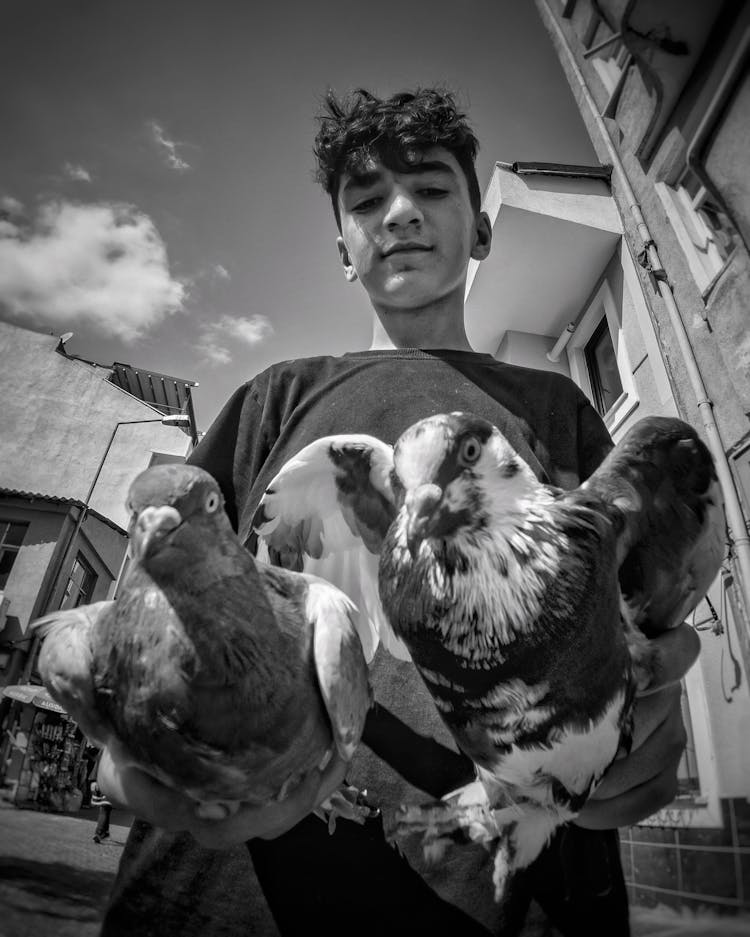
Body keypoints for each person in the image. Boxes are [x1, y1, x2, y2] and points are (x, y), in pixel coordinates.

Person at [96, 88, 699, 936]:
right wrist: (132, 751)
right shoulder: (275, 398)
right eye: (367, 201)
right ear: (343, 246)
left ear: (482, 226)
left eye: (432, 188)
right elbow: (147, 614)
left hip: (497, 889)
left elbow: (637, 637)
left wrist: (646, 730)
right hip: (218, 890)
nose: (400, 213)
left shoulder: (557, 413)